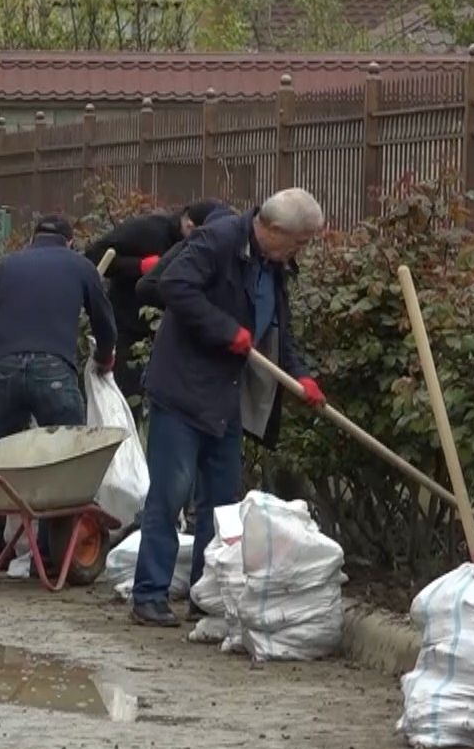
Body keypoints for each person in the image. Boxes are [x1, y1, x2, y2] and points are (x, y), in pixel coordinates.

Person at [130, 188, 327, 628]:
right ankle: (149, 594)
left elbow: (280, 331)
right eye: (298, 242)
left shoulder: (273, 267)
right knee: (170, 494)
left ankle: (207, 594)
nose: (300, 252)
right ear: (273, 229)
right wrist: (226, 330)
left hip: (224, 397)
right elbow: (172, 284)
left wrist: (301, 376)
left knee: (221, 504)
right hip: (181, 391)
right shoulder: (218, 241)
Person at [0, 215, 117, 575]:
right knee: (66, 464)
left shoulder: (4, 267)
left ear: (33, 238)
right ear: (69, 241)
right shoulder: (81, 266)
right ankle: (53, 560)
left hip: (1, 369)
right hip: (53, 369)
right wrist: (104, 358)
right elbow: (104, 323)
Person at [86, 201, 223, 400]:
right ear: (188, 224)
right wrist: (139, 266)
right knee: (128, 395)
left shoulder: (204, 248)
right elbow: (94, 256)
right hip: (129, 327)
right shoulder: (148, 230)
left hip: (169, 334)